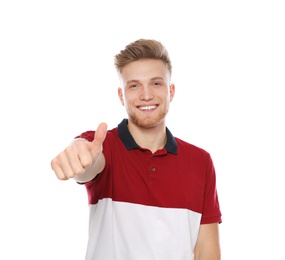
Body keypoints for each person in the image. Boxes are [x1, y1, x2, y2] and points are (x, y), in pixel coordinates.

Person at [51, 39, 222, 260]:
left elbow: (206, 253)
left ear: (171, 91)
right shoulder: (103, 147)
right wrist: (77, 155)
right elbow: (88, 162)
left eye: (156, 83)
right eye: (134, 85)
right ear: (122, 96)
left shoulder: (200, 161)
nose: (146, 95)